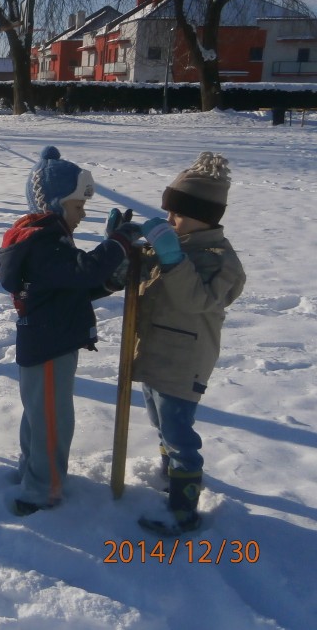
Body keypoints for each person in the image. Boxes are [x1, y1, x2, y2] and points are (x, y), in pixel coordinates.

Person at [0, 145, 142, 515]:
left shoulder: (48, 240)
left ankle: (33, 473)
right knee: (51, 421)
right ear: (56, 204)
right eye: (78, 206)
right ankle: (41, 489)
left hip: (48, 338)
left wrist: (111, 280)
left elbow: (71, 285)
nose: (83, 213)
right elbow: (83, 270)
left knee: (40, 415)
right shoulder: (43, 243)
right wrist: (118, 242)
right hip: (49, 344)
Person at [133, 152, 246, 536]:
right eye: (168, 212)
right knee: (161, 423)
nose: (169, 220)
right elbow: (142, 279)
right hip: (155, 354)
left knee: (179, 434)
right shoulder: (177, 245)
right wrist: (125, 245)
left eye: (177, 214)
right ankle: (170, 474)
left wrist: (172, 257)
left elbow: (195, 299)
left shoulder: (220, 260)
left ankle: (183, 510)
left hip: (184, 363)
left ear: (203, 217)